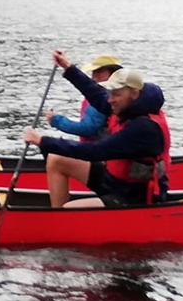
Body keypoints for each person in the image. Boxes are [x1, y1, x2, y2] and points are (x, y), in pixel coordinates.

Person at [23, 50, 170, 208]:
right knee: (56, 160)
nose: (110, 100)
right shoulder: (128, 106)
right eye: (110, 94)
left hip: (132, 196)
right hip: (113, 181)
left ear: (134, 94)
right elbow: (97, 96)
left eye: (116, 95)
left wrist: (43, 141)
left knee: (70, 209)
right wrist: (68, 68)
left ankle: (63, 220)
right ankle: (57, 217)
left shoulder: (143, 128)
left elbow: (95, 150)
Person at [45, 55, 123, 141]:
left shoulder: (104, 97)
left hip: (96, 148)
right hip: (103, 146)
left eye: (99, 71)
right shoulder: (121, 94)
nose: (94, 76)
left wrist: (55, 120)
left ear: (112, 74)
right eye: (94, 71)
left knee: (51, 152)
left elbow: (88, 128)